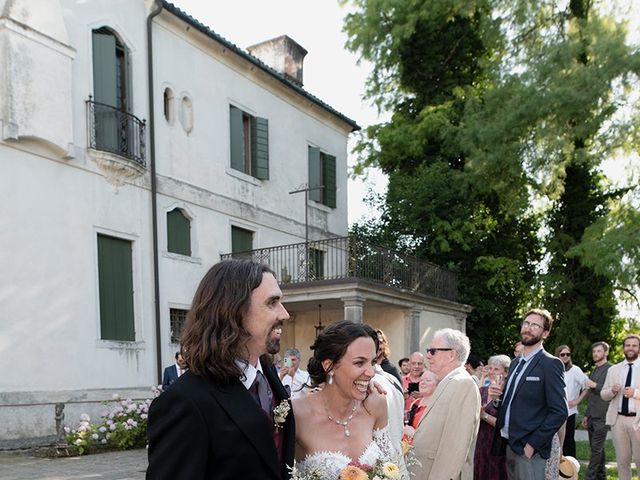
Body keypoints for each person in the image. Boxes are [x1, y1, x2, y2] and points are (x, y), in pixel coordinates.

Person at [146, 259, 295, 480]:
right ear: (233, 310)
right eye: (272, 302)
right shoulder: (184, 402)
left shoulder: (269, 378)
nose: (284, 314)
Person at [291, 320, 405, 479]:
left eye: (372, 362)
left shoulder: (374, 404)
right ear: (329, 366)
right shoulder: (297, 414)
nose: (371, 372)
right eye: (359, 363)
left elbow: (393, 467)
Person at [489, 308, 567, 480]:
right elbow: (515, 402)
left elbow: (560, 411)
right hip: (508, 443)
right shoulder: (516, 362)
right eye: (526, 323)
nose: (528, 328)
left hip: (529, 449)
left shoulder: (551, 364)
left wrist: (532, 445)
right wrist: (497, 399)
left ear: (545, 333)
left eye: (535, 325)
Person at [409, 328, 481, 479]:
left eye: (433, 351)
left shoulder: (463, 383)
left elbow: (455, 447)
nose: (428, 355)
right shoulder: (448, 381)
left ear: (451, 354)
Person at [601, 334, 640, 480]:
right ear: (623, 348)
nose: (630, 348)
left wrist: (636, 393)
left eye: (634, 345)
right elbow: (604, 394)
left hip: (637, 421)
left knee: (639, 460)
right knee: (622, 461)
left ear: (639, 348)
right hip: (618, 420)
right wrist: (612, 391)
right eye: (627, 345)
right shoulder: (614, 370)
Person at [474, 354, 510, 480]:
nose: (491, 372)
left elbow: (505, 424)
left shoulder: (507, 394)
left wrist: (483, 415)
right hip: (480, 444)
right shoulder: (481, 390)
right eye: (490, 368)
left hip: (497, 445)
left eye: (496, 369)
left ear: (505, 373)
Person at [581, 341, 612, 480]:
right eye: (594, 352)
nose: (595, 354)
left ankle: (590, 477)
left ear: (606, 353)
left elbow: (611, 390)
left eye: (599, 351)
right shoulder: (595, 369)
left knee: (596, 449)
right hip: (592, 415)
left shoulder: (611, 369)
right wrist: (586, 415)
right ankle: (601, 476)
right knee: (598, 449)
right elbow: (592, 396)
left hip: (603, 415)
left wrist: (594, 385)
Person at [555, 345, 588, 456]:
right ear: (557, 355)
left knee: (568, 440)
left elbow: (587, 386)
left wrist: (577, 401)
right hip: (554, 410)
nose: (565, 356)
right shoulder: (553, 369)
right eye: (562, 354)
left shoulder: (575, 370)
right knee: (555, 441)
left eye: (567, 354)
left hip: (570, 411)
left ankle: (571, 468)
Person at [401, 369, 438, 445]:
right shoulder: (416, 402)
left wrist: (414, 434)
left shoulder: (437, 406)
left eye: (428, 380)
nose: (422, 383)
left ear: (438, 385)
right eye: (421, 380)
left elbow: (434, 437)